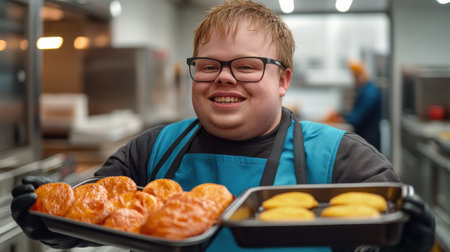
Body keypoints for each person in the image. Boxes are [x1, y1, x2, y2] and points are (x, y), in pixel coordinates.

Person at [11, 1, 435, 252]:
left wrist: (404, 244)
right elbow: (95, 217)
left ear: (283, 80)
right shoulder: (152, 150)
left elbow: (376, 236)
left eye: (247, 66)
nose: (224, 77)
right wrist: (49, 224)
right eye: (210, 65)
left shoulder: (342, 158)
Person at [325, 61, 382, 150]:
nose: (354, 80)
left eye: (355, 76)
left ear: (361, 75)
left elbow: (355, 118)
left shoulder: (370, 93)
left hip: (368, 139)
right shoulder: (365, 90)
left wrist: (338, 118)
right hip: (365, 138)